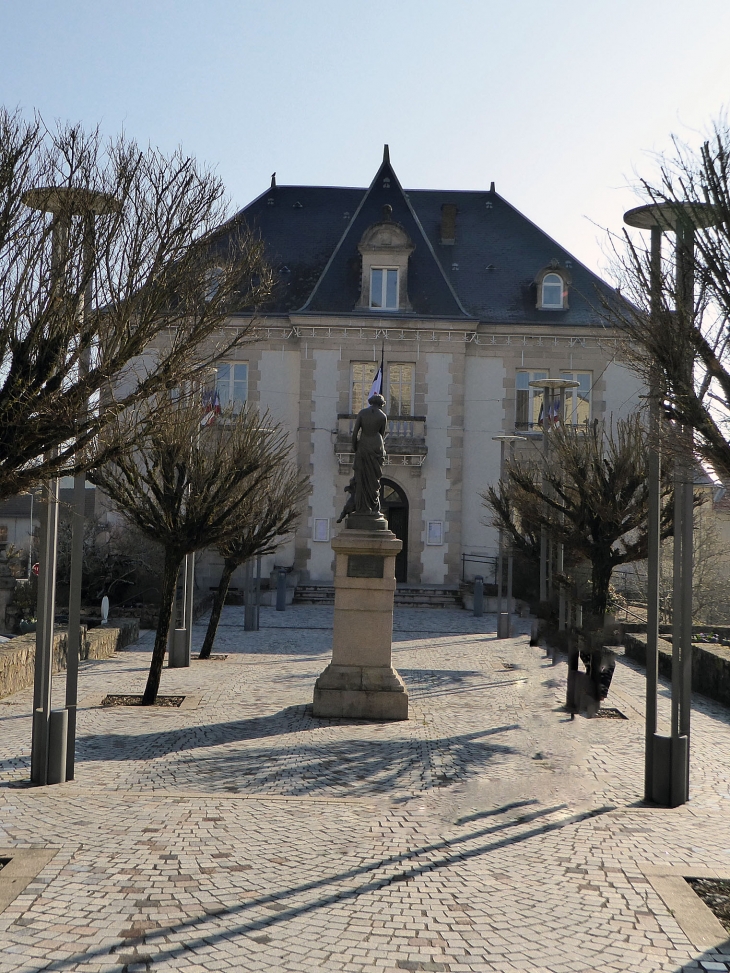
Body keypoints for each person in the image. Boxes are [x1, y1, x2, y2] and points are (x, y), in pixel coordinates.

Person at [351, 393, 387, 515]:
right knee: (373, 479)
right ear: (381, 404)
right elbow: (381, 434)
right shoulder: (382, 416)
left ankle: (362, 507)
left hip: (364, 445)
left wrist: (355, 447)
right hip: (376, 446)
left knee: (362, 477)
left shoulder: (362, 413)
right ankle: (373, 506)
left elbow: (355, 433)